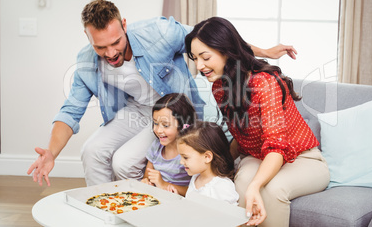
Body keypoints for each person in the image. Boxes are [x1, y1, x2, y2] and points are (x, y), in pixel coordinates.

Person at [27, 0, 297, 187]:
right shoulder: (86, 62)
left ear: (124, 24)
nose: (110, 53)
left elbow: (213, 40)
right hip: (136, 110)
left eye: (116, 42)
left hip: (174, 111)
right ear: (87, 38)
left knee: (123, 163)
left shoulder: (158, 33)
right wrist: (51, 152)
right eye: (100, 47)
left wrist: (263, 51)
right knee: (91, 150)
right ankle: (105, 215)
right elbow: (71, 110)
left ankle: (138, 214)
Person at [185, 17, 330, 227]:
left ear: (226, 51)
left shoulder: (265, 83)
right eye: (195, 58)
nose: (199, 66)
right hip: (258, 156)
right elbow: (240, 134)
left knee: (272, 189)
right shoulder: (219, 86)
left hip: (304, 159)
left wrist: (256, 185)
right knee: (242, 182)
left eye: (205, 57)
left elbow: (276, 147)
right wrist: (219, 165)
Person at [141, 93, 196, 196]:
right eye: (156, 123)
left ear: (183, 124)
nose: (158, 130)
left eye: (165, 125)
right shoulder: (156, 147)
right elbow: (146, 177)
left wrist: (163, 184)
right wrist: (146, 182)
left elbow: (195, 192)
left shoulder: (190, 153)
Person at [172, 121, 239, 205]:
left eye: (185, 157)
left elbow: (230, 215)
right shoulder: (196, 178)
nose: (181, 162)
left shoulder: (222, 186)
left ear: (207, 157)